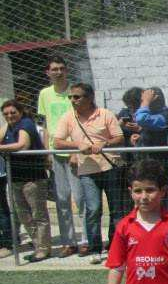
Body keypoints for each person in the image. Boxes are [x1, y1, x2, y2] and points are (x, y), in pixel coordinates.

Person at [53, 82, 125, 263]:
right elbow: (58, 142)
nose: (73, 100)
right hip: (86, 171)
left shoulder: (106, 114)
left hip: (110, 168)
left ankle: (115, 246)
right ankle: (95, 248)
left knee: (116, 210)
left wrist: (105, 144)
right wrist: (77, 145)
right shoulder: (68, 117)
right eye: (71, 97)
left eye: (77, 97)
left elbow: (119, 138)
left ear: (90, 97)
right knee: (93, 209)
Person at [36, 55, 85, 257]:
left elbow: (82, 120)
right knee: (62, 199)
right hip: (55, 153)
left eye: (62, 68)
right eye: (54, 69)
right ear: (48, 72)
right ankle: (68, 241)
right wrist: (46, 152)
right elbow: (47, 123)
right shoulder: (44, 94)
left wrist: (76, 151)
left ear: (66, 70)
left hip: (75, 152)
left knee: (80, 198)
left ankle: (85, 240)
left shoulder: (74, 92)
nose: (58, 72)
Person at [0, 100, 51, 261]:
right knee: (23, 215)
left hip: (33, 178)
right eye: (6, 113)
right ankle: (38, 245)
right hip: (15, 178)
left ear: (20, 112)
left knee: (38, 214)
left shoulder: (26, 124)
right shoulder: (8, 126)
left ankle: (43, 249)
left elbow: (23, 144)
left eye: (13, 112)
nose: (9, 116)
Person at [135, 87, 168, 210]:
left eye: (146, 97)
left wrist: (145, 102)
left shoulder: (165, 116)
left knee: (162, 198)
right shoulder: (154, 114)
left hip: (162, 166)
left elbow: (141, 119)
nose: (142, 101)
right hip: (149, 164)